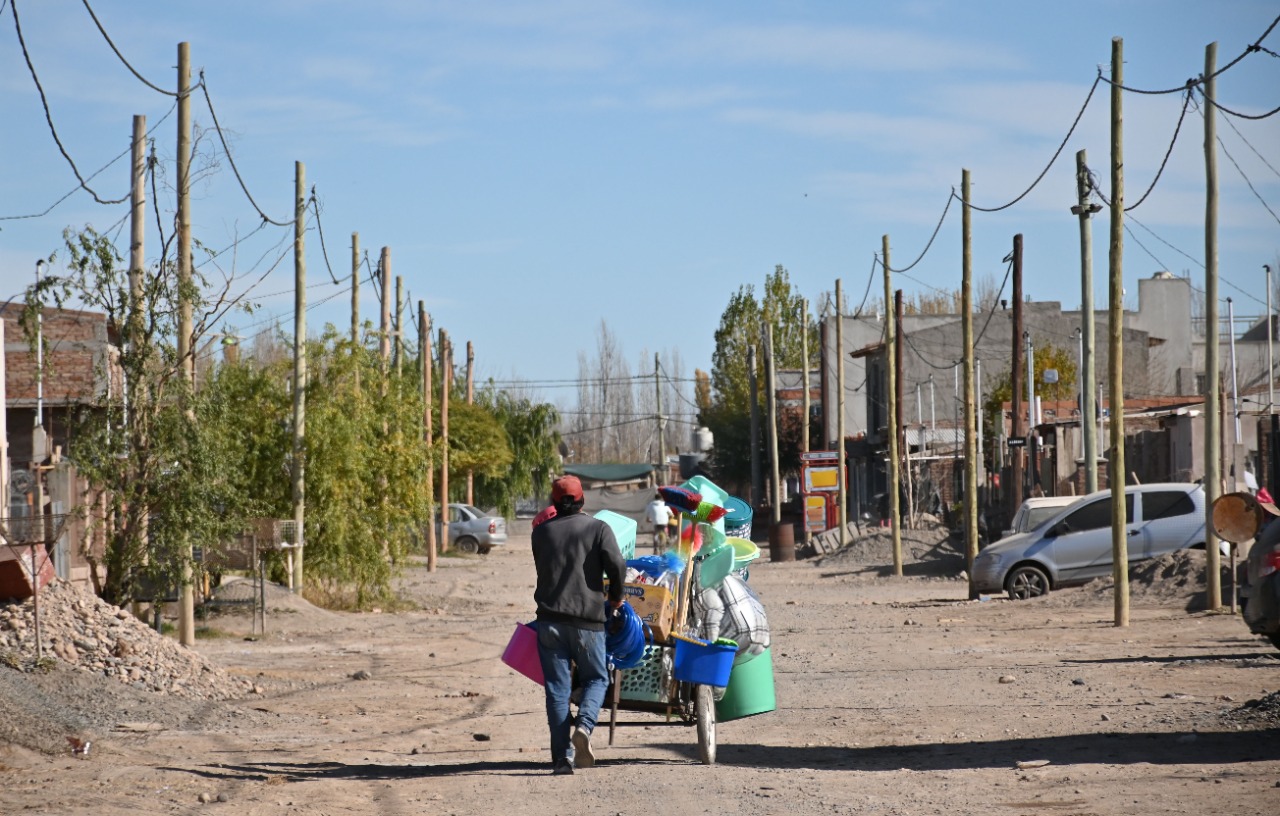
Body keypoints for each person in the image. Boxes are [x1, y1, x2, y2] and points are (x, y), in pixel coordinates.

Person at [531, 475, 626, 775]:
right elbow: (617, 565)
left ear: (554, 502)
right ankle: (584, 727)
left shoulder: (540, 534)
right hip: (587, 621)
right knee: (597, 679)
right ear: (582, 499)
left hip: (549, 622)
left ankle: (562, 758)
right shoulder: (598, 528)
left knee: (557, 689)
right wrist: (616, 598)